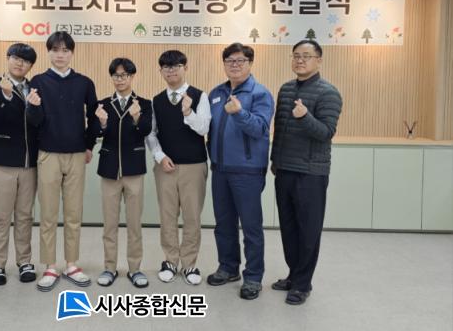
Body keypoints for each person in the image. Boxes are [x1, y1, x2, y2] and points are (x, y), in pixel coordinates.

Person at [270, 39, 343, 305]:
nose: (300, 60)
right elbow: (279, 129)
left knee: (308, 230)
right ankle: (293, 275)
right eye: (296, 55)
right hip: (285, 169)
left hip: (311, 173)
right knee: (289, 228)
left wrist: (305, 117)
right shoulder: (286, 89)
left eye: (306, 56)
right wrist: (275, 160)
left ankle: (303, 284)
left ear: (319, 60)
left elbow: (326, 132)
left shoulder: (329, 93)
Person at [27, 31, 98, 291]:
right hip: (48, 154)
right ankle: (50, 266)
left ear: (72, 53)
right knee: (48, 214)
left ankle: (71, 264)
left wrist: (89, 145)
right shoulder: (38, 81)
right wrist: (33, 106)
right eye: (55, 50)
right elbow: (34, 122)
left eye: (65, 50)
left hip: (77, 154)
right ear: (48, 52)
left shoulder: (84, 83)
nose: (60, 55)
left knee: (73, 213)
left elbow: (94, 117)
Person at [206, 43, 274, 300]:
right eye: (229, 60)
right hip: (220, 169)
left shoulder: (260, 93)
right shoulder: (216, 93)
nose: (234, 65)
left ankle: (253, 277)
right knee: (223, 224)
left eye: (240, 60)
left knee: (251, 227)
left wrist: (239, 113)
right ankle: (228, 267)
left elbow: (259, 128)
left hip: (248, 171)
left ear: (250, 63)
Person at [146, 49, 210, 285]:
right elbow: (151, 133)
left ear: (185, 68)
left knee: (192, 217)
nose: (171, 70)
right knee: (167, 216)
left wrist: (188, 112)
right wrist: (159, 156)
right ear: (160, 71)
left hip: (194, 166)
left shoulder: (200, 96)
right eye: (166, 67)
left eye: (176, 66)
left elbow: (204, 128)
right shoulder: (156, 100)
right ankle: (170, 261)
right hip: (166, 167)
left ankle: (190, 264)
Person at [91, 58, 153, 288]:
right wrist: (102, 123)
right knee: (110, 224)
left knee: (134, 224)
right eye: (116, 75)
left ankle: (135, 269)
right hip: (109, 170)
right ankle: (109, 268)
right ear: (112, 77)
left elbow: (146, 131)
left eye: (124, 75)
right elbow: (95, 132)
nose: (120, 79)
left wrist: (137, 117)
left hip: (134, 169)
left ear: (132, 77)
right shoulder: (102, 104)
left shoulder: (144, 104)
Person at [0, 43, 41, 285]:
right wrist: (5, 96)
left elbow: (39, 122)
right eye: (16, 58)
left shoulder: (35, 89)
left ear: (30, 66)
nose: (20, 63)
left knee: (25, 216)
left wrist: (35, 107)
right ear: (8, 59)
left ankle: (24, 261)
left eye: (26, 61)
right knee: (1, 216)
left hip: (30, 163)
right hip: (2, 162)